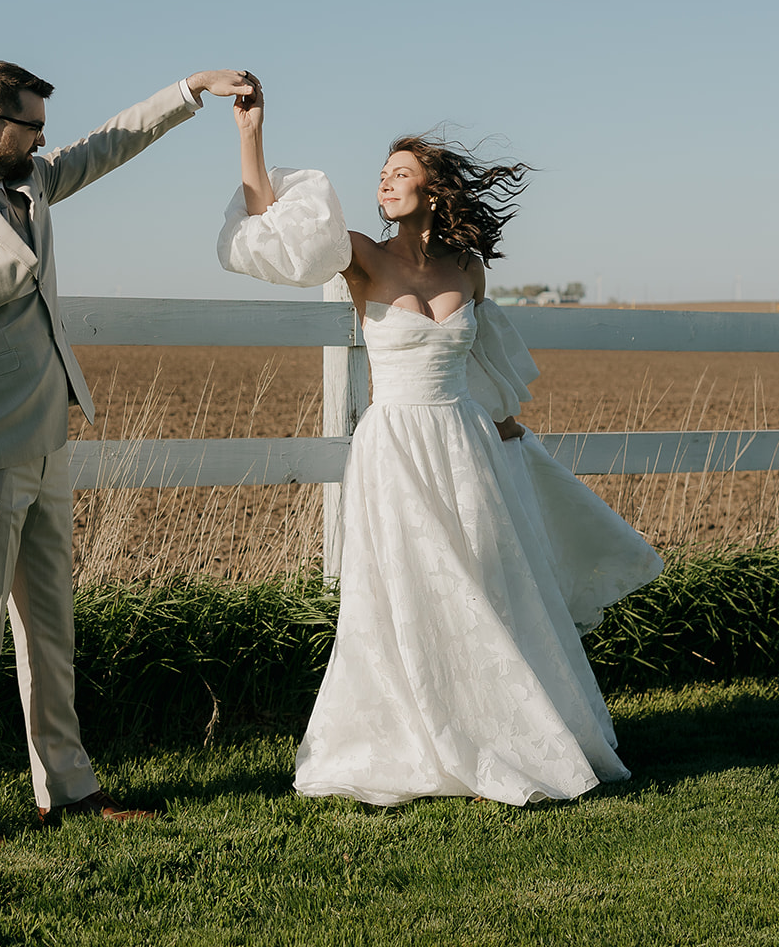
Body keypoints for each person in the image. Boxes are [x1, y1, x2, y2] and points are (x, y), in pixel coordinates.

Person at [218, 80, 663, 807]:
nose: (383, 182)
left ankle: (506, 730)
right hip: (394, 446)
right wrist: (250, 134)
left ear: (433, 191)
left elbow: (484, 363)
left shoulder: (467, 268)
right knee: (409, 585)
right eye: (381, 175)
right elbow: (270, 222)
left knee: (486, 582)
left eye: (399, 173)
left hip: (465, 442)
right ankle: (414, 739)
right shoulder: (359, 255)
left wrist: (508, 431)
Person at [0, 61, 253, 846]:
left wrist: (189, 92)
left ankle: (69, 788)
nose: (44, 145)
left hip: (48, 446)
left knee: (51, 631)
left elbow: (111, 143)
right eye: (32, 130)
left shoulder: (32, 186)